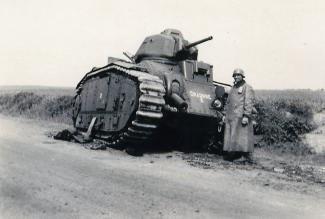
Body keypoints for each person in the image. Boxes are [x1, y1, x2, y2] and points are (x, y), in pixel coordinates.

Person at [223, 68, 256, 163]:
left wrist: (246, 116)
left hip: (240, 116)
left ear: (242, 76)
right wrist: (225, 114)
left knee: (242, 137)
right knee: (231, 136)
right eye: (235, 75)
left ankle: (243, 156)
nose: (236, 77)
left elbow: (249, 102)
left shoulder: (247, 87)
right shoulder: (233, 88)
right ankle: (232, 154)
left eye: (238, 75)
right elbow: (228, 102)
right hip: (231, 116)